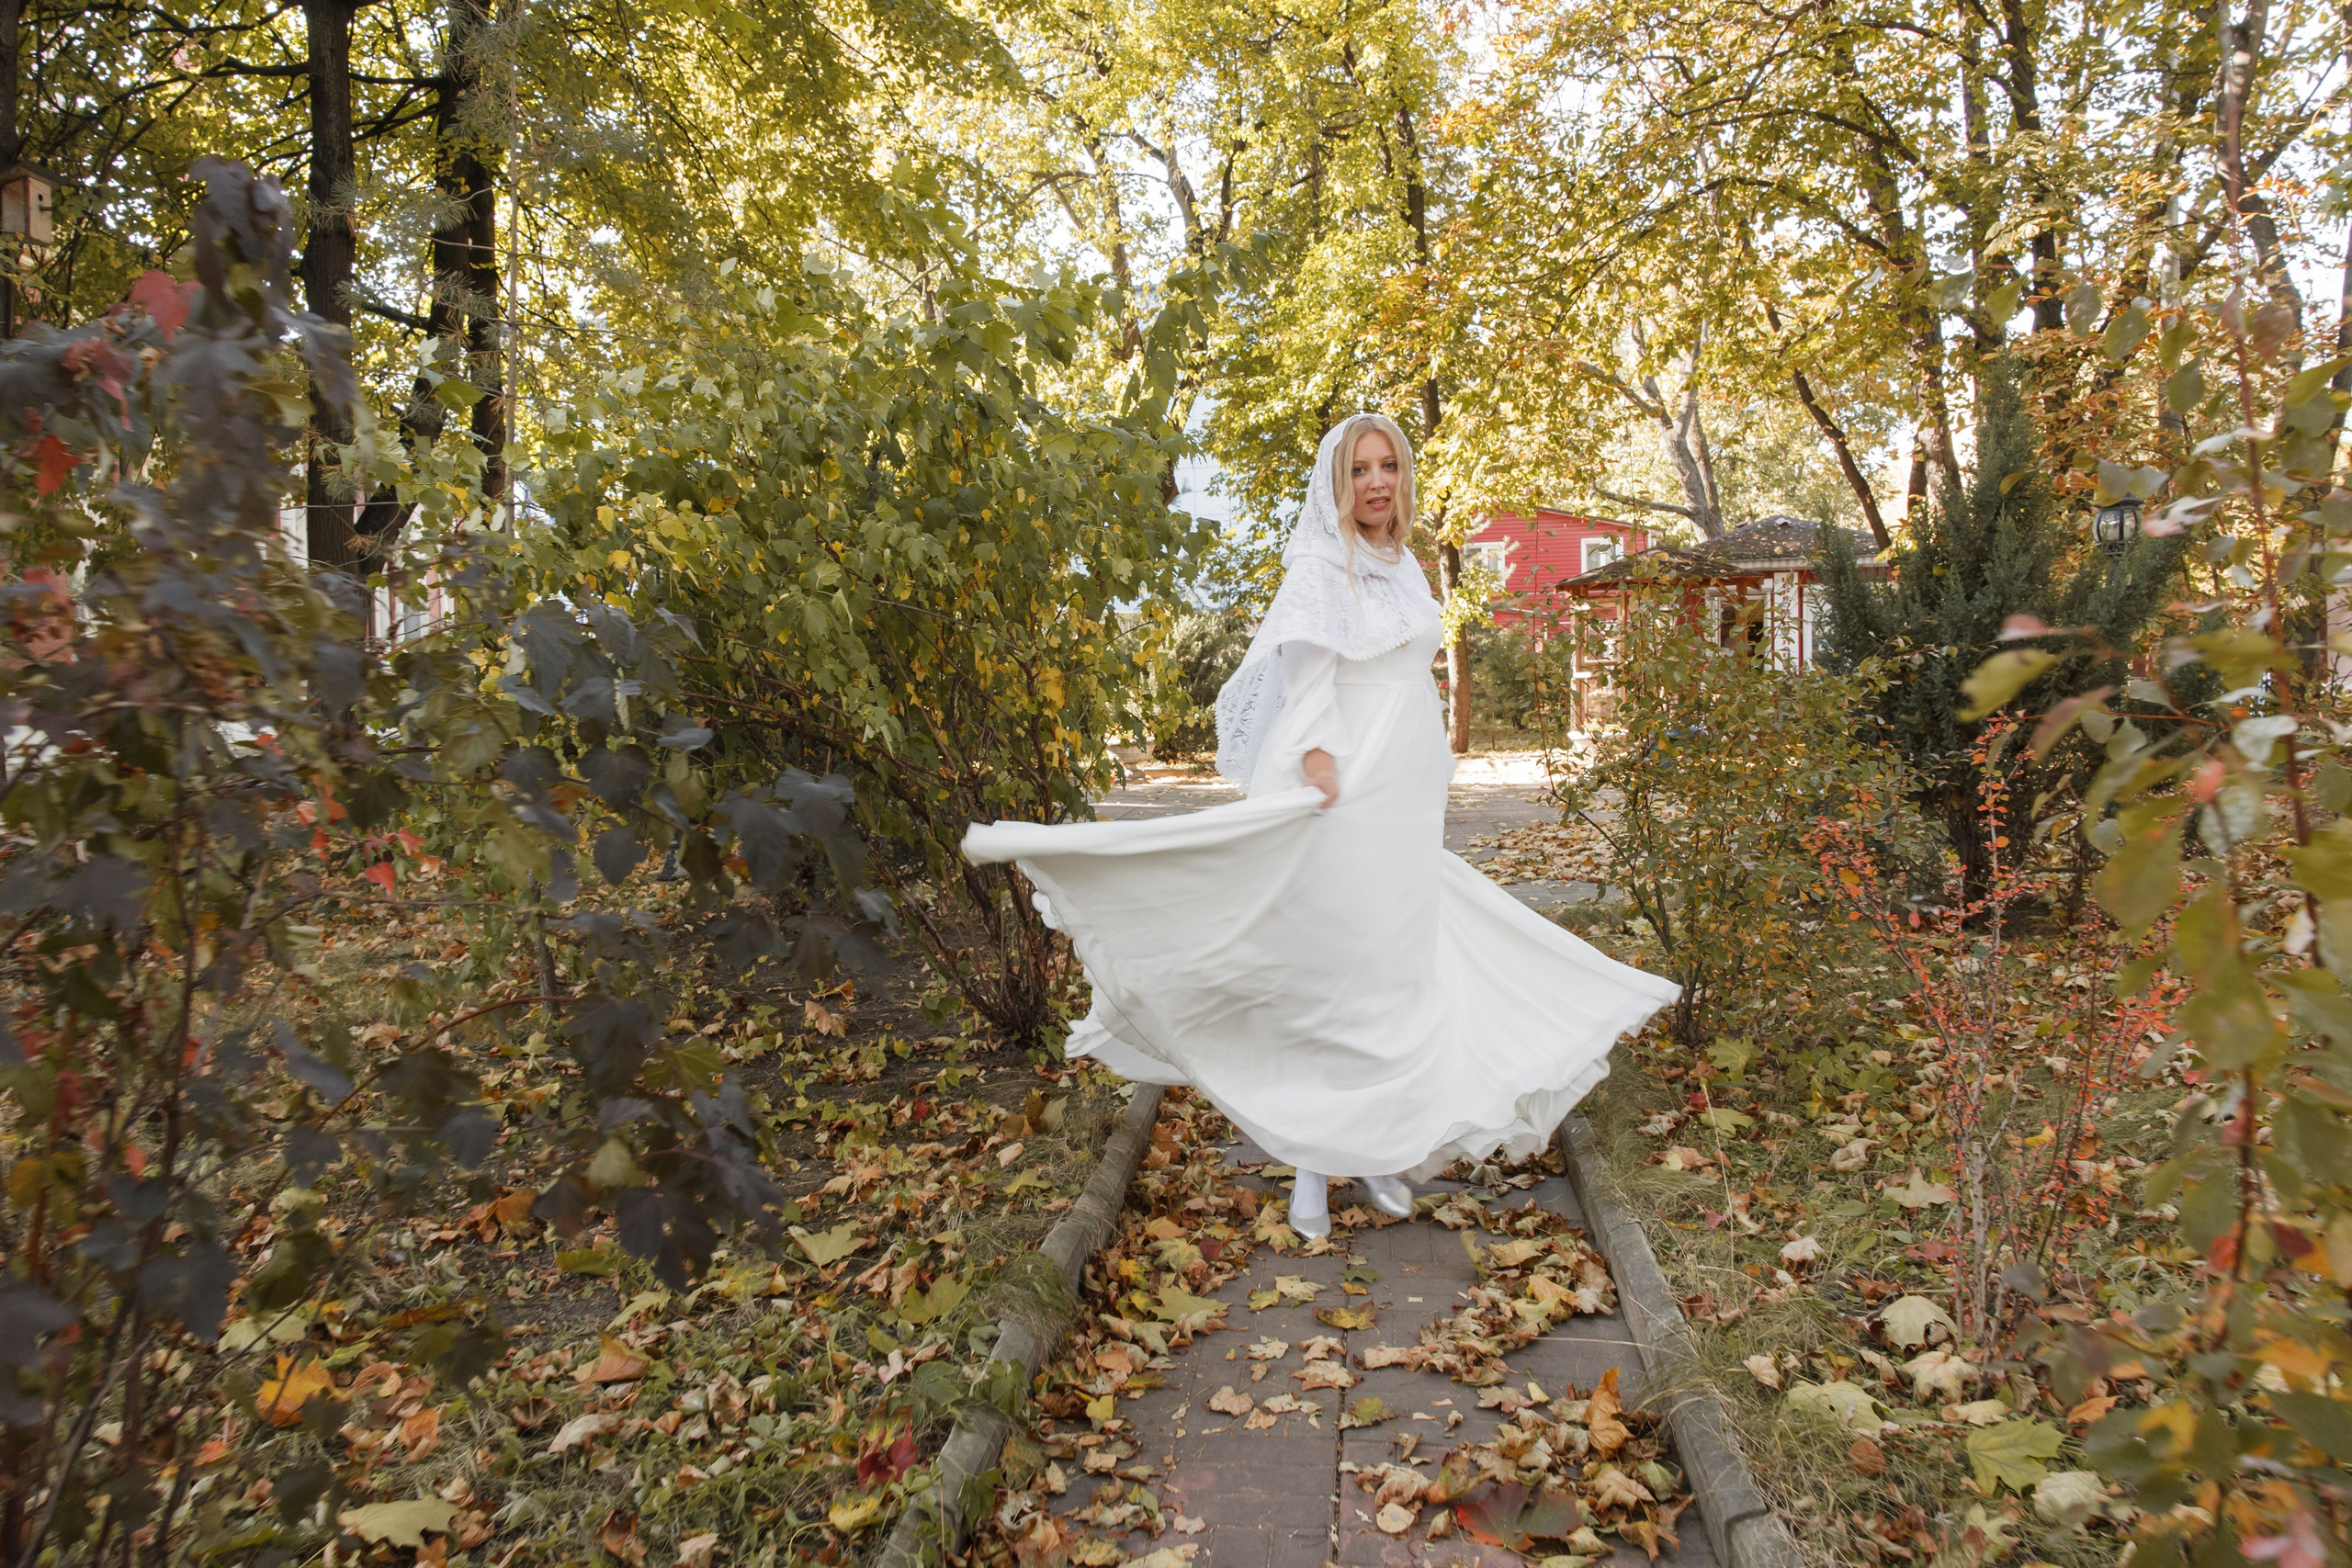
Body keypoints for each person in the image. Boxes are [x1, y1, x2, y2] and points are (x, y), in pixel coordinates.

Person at [963, 413, 1678, 1240]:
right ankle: (1310, 1160)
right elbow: (1307, 673)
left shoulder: (1404, 562)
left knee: (1392, 973)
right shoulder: (1317, 565)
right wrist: (1317, 756)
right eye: (1360, 470)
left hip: (1409, 793)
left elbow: (1418, 675)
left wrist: (1434, 763)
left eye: (1388, 467)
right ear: (1337, 483)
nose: (1377, 483)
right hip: (1351, 784)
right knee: (1332, 971)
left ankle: (1373, 1144)